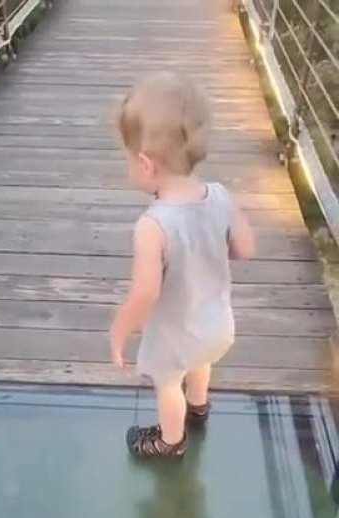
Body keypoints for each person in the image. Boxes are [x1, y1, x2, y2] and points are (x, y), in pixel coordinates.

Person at [110, 73, 255, 459]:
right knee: (201, 362)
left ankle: (170, 442)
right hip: (217, 327)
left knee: (168, 381)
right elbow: (245, 248)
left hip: (177, 335)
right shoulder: (221, 196)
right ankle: (200, 406)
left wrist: (120, 330)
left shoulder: (152, 226)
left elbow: (145, 294)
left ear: (144, 164)